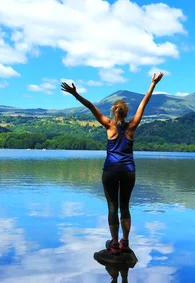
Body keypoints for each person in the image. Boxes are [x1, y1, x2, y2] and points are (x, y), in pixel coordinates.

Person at [61, 72, 164, 254]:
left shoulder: (109, 125)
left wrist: (75, 94)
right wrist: (153, 84)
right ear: (126, 113)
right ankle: (125, 242)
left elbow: (91, 107)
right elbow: (143, 104)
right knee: (125, 206)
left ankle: (114, 244)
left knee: (112, 207)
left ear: (113, 112)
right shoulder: (132, 126)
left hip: (110, 171)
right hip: (128, 171)